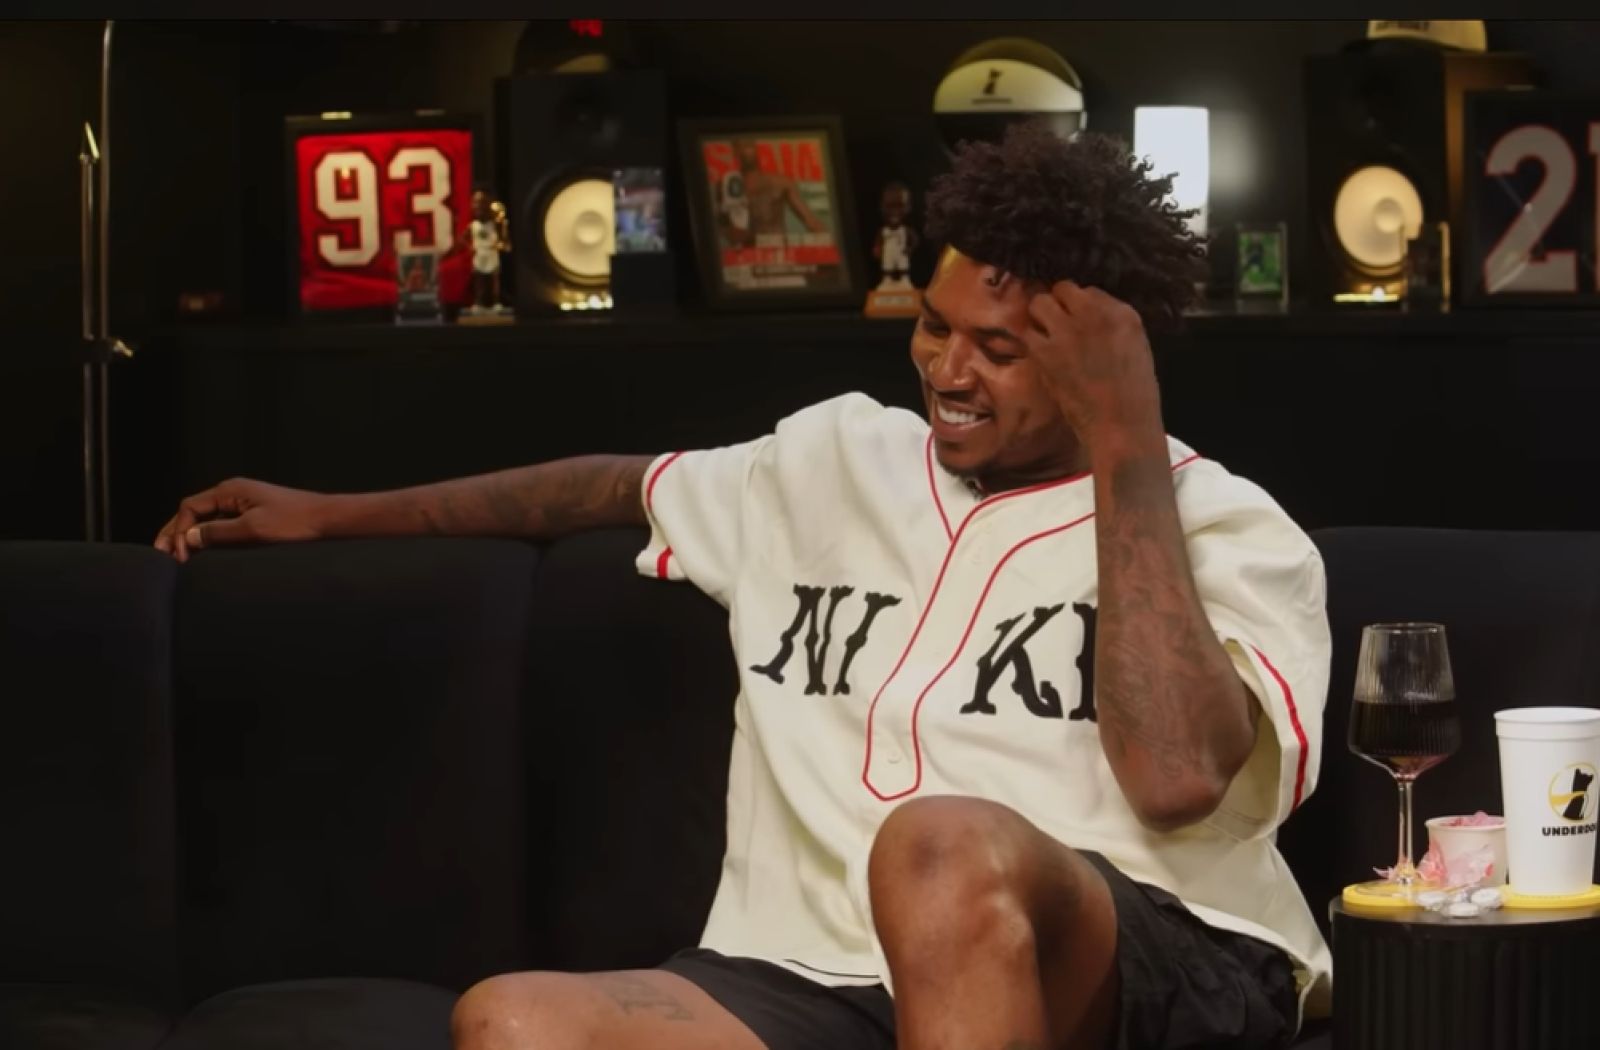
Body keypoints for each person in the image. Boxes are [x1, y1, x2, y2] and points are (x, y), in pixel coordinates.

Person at [154, 120, 1331, 1050]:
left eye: (1000, 349)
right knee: (513, 1021)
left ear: (1098, 364)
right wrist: (331, 513)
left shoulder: (1228, 529)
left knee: (938, 845)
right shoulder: (829, 459)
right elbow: (605, 487)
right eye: (933, 327)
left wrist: (1124, 436)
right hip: (809, 977)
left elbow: (1175, 779)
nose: (946, 370)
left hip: (1154, 961)